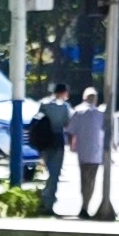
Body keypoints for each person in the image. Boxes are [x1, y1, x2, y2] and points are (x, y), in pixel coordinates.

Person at [69, 82, 114, 218]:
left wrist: (72, 145)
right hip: (96, 152)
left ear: (84, 98)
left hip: (83, 151)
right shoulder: (100, 114)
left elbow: (72, 131)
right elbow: (106, 131)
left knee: (84, 179)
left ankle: (84, 206)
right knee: (92, 179)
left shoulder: (78, 111)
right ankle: (86, 205)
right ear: (95, 99)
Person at [33, 89, 68, 212]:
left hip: (44, 142)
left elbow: (38, 120)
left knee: (49, 172)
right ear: (64, 92)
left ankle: (44, 198)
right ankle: (48, 202)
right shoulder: (64, 106)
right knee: (55, 174)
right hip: (57, 142)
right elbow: (67, 123)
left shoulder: (43, 103)